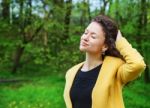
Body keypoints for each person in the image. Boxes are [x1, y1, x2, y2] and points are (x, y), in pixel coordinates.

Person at [63, 15, 146, 108]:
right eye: (85, 33)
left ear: (105, 46)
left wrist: (120, 42)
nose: (85, 37)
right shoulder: (71, 73)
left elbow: (138, 64)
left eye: (93, 36)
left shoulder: (115, 68)